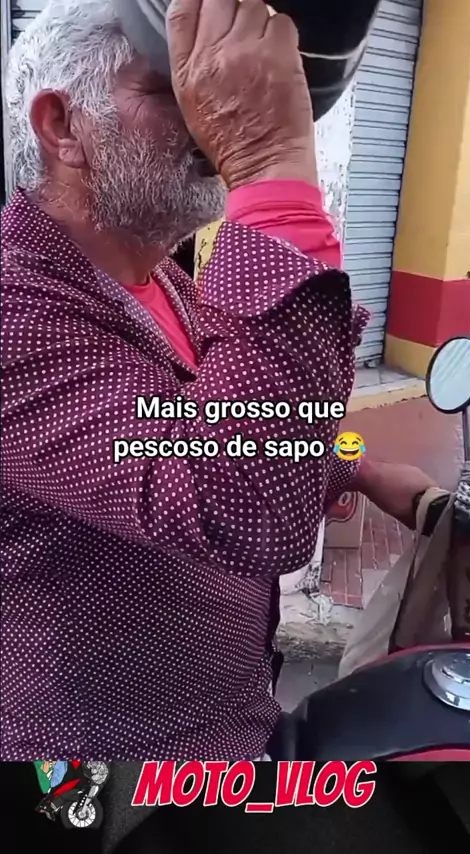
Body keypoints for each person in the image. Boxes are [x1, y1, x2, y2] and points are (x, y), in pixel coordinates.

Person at [1, 0, 436, 767]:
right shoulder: (18, 318)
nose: (211, 122)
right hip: (117, 772)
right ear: (62, 126)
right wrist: (271, 166)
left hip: (227, 716)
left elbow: (204, 424)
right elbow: (239, 500)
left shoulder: (159, 278)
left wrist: (362, 470)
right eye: (176, 91)